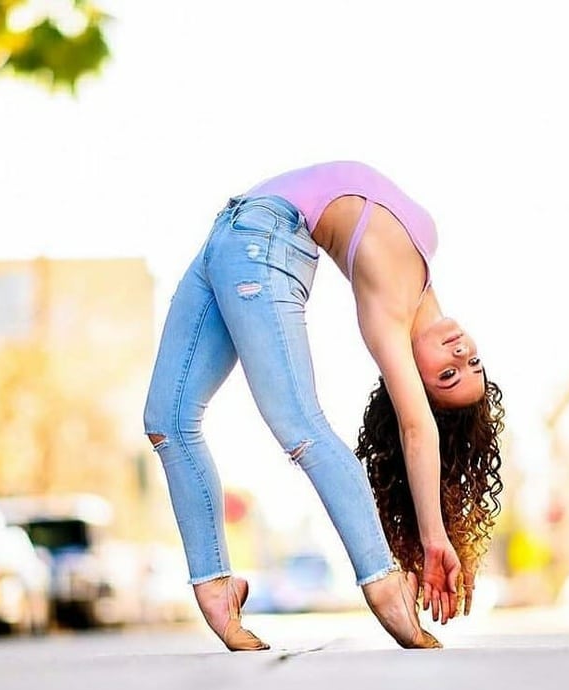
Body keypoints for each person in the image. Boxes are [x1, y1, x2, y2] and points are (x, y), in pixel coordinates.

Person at [143, 160, 505, 651]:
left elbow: (418, 428)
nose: (461, 356)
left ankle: (382, 583)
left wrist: (434, 538)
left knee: (299, 425)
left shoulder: (386, 318)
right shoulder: (427, 253)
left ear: (415, 385)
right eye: (473, 363)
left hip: (262, 245)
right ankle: (217, 586)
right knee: (166, 420)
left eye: (447, 375)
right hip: (228, 233)